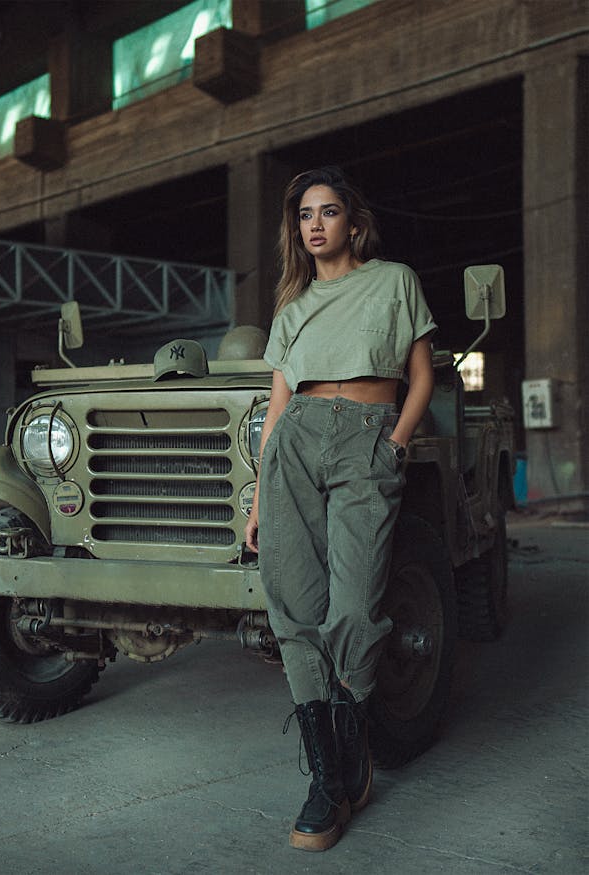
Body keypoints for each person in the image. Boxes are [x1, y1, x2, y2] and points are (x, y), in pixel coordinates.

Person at [244, 166, 437, 852]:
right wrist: (257, 498)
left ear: (353, 222)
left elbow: (421, 375)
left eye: (328, 211)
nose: (315, 224)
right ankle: (328, 778)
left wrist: (396, 444)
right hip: (294, 446)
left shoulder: (393, 281)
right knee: (294, 607)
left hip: (367, 440)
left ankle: (352, 753)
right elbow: (277, 408)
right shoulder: (292, 308)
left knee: (355, 607)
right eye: (304, 215)